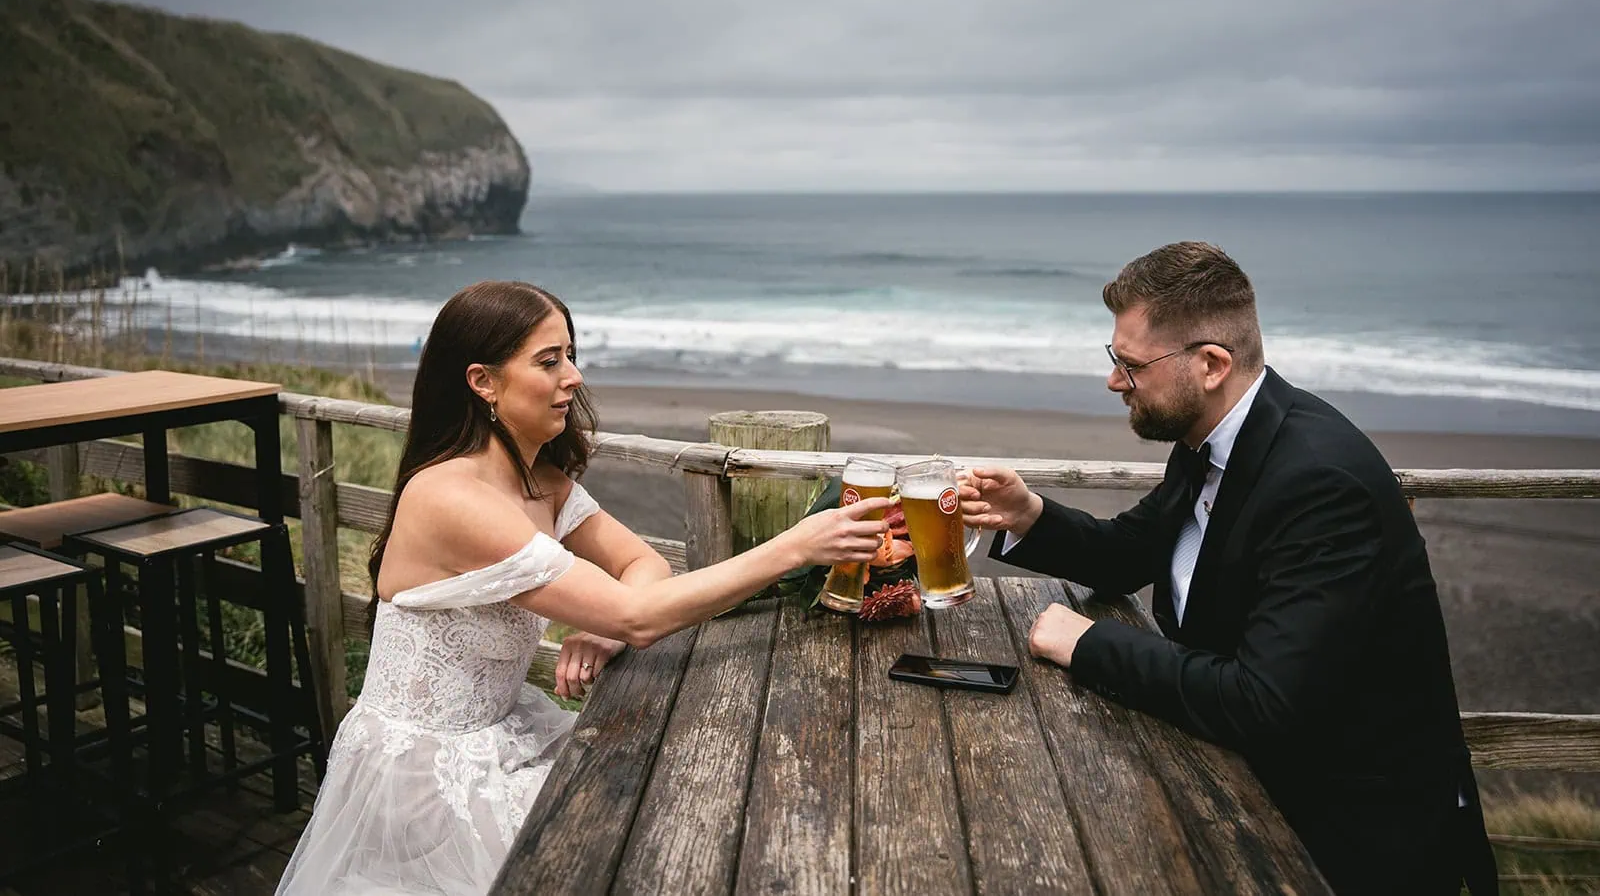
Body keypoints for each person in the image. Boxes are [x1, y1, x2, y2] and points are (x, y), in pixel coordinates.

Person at [277, 281, 888, 896]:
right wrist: (797, 547)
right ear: (482, 382)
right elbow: (642, 616)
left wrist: (602, 624)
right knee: (646, 838)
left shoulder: (543, 484)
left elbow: (643, 566)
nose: (573, 377)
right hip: (424, 781)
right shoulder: (449, 497)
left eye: (570, 355)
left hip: (502, 735)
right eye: (549, 361)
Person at [959, 242, 1496, 896]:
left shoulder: (1320, 484)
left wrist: (1089, 643)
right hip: (1236, 779)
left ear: (1211, 364)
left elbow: (1260, 699)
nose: (1113, 381)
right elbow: (1131, 551)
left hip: (1351, 839)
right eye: (1114, 360)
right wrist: (1026, 513)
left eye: (1130, 366)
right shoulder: (1208, 436)